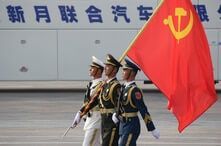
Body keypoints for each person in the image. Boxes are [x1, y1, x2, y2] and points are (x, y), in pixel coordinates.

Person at [73, 54, 122, 146]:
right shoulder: (105, 84)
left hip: (110, 122)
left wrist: (117, 114)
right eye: (106, 66)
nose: (105, 68)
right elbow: (94, 100)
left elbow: (120, 104)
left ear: (114, 70)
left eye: (108, 66)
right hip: (103, 122)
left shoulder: (116, 85)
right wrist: (81, 112)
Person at [112, 58, 160, 146]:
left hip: (131, 126)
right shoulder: (123, 87)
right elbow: (119, 104)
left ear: (132, 73)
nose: (122, 72)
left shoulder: (135, 91)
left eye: (125, 70)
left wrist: (152, 128)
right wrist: (116, 113)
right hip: (123, 126)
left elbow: (143, 110)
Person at [72, 56, 104, 146]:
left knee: (87, 144)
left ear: (99, 71)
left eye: (93, 68)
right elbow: (87, 101)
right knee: (95, 144)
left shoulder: (101, 85)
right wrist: (80, 113)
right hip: (90, 119)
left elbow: (94, 102)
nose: (90, 69)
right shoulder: (91, 84)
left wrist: (82, 112)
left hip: (96, 119)